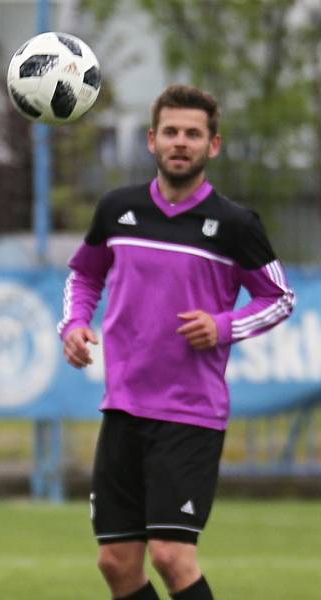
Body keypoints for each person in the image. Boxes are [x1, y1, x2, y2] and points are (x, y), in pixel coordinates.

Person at [58, 84, 295, 600]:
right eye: (171, 132)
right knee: (117, 563)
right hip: (123, 405)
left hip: (189, 414)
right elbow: (84, 276)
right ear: (152, 140)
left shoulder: (235, 224)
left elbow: (278, 298)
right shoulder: (118, 209)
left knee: (171, 554)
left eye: (193, 133)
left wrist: (223, 326)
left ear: (213, 145)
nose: (180, 142)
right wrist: (74, 325)